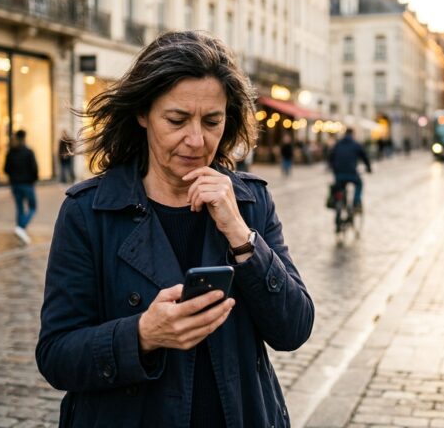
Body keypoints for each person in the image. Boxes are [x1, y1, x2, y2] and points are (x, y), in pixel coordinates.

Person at [36, 31, 314, 427]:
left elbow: (294, 329)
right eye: (177, 120)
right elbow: (56, 355)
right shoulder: (88, 212)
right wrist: (142, 335)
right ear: (143, 113)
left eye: (212, 121)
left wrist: (240, 235)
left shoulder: (250, 203)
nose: (197, 140)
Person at [4, 129, 39, 245]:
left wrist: (13, 178)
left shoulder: (11, 152)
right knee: (33, 207)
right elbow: (34, 169)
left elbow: (6, 169)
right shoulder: (28, 152)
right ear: (24, 138)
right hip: (27, 184)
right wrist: (33, 180)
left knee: (20, 208)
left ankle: (21, 231)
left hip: (15, 185)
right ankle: (21, 227)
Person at [328, 127, 372, 211]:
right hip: (352, 173)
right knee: (359, 184)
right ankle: (356, 203)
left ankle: (341, 203)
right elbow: (364, 157)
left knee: (340, 187)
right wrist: (369, 167)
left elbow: (330, 157)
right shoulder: (356, 144)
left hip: (338, 174)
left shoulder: (338, 144)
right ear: (353, 134)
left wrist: (333, 168)